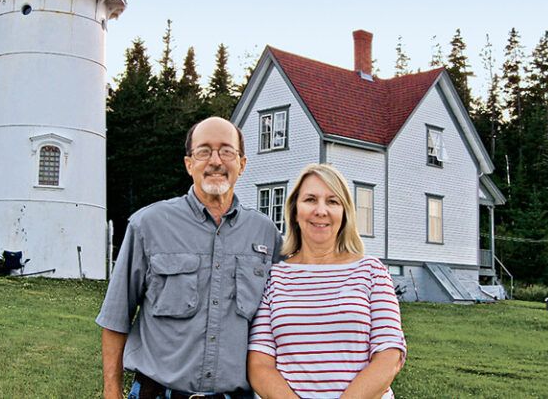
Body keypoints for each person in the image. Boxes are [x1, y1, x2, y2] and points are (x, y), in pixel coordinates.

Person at [96, 117, 283, 399]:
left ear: (242, 164)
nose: (216, 161)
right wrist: (112, 391)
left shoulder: (266, 234)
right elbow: (115, 317)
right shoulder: (148, 225)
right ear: (189, 164)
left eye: (226, 151)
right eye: (204, 151)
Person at [247, 164, 406, 399]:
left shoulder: (371, 271)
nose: (321, 211)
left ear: (344, 212)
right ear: (294, 210)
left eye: (332, 201)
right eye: (310, 199)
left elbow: (389, 356)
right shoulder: (275, 278)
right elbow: (259, 365)